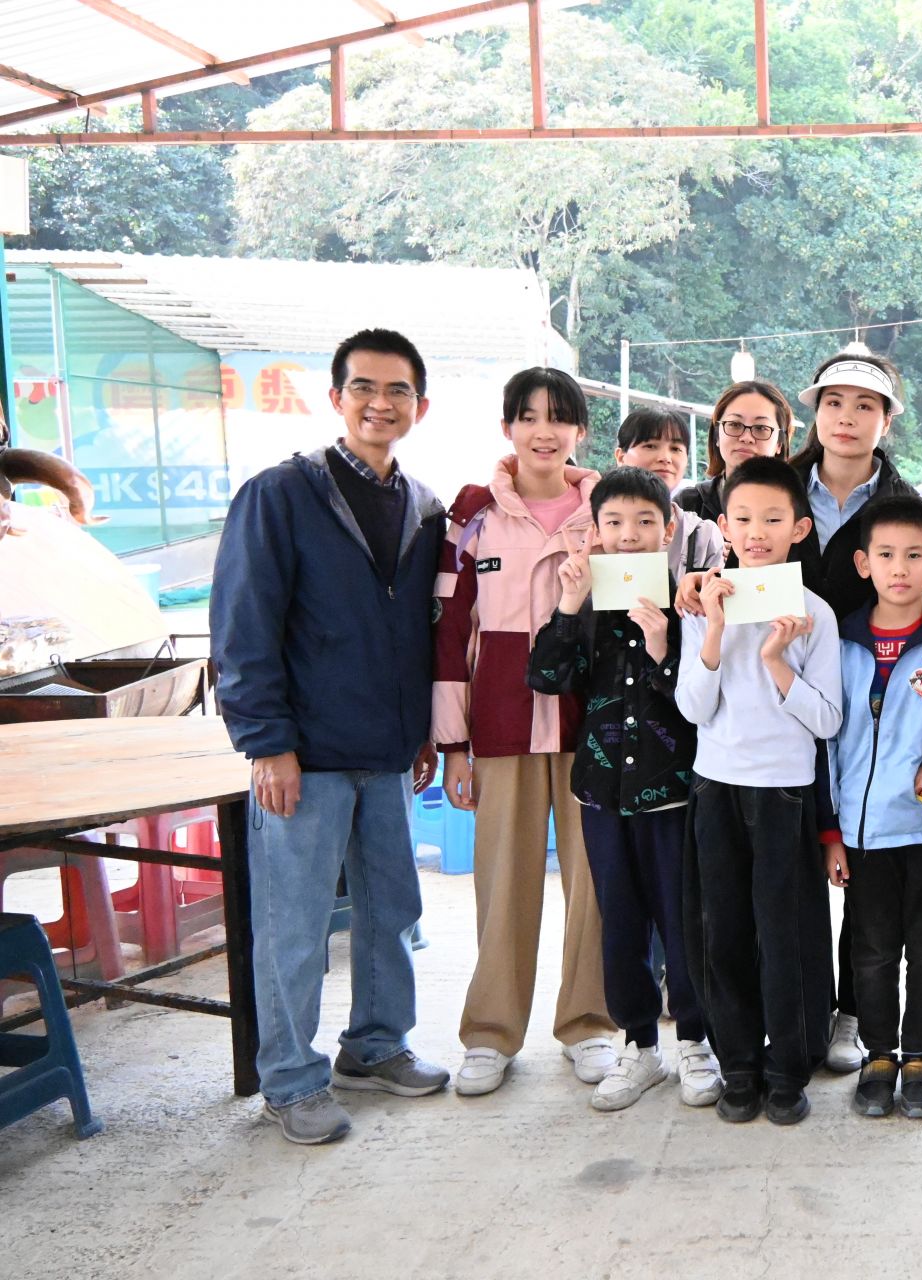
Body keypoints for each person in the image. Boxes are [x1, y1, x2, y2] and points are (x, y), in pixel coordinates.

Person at [676, 349, 922, 1073]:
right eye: (834, 402)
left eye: (866, 405)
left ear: (887, 420)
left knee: (862, 865)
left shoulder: (900, 499)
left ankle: (846, 1013)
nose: (847, 418)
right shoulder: (778, 488)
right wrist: (693, 578)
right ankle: (774, 1025)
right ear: (812, 412)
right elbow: (725, 537)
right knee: (791, 886)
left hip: (855, 705)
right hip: (770, 715)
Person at [210, 327, 449, 1144]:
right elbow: (243, 626)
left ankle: (376, 1045)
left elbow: (417, 631)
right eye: (364, 388)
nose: (381, 404)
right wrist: (265, 741)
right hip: (304, 755)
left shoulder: (423, 507)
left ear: (420, 406)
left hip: (387, 750)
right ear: (336, 397)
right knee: (295, 923)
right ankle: (289, 1078)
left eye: (398, 391)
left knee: (392, 909)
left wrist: (420, 730)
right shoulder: (281, 495)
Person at [433, 367, 619, 1099]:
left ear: (580, 430)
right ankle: (490, 1033)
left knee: (594, 882)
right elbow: (452, 633)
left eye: (559, 417)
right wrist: (453, 745)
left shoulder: (610, 511)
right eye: (529, 416)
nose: (545, 431)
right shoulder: (473, 517)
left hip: (590, 726)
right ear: (507, 427)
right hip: (502, 725)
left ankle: (590, 1022)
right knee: (502, 884)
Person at [524, 466, 723, 1112]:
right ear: (596, 530)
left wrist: (663, 645)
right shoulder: (585, 601)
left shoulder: (689, 598)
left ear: (668, 529)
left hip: (672, 794)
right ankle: (639, 1045)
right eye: (614, 522)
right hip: (603, 795)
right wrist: (569, 603)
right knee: (620, 922)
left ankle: (694, 1040)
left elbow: (698, 701)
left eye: (644, 521)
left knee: (683, 920)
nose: (629, 533)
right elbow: (547, 678)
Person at [675, 455, 844, 1125]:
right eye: (743, 518)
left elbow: (827, 720)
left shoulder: (814, 613)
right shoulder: (703, 604)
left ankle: (788, 1068)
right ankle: (739, 1064)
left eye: (773, 519)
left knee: (787, 934)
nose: (756, 531)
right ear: (723, 526)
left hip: (784, 793)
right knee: (722, 931)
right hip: (716, 786)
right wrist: (716, 630)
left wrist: (776, 659)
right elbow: (694, 708)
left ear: (799, 528)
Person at [819, 494, 922, 1120]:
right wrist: (831, 832)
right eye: (885, 555)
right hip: (862, 831)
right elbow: (825, 742)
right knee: (873, 950)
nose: (900, 568)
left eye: (914, 555)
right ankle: (878, 1055)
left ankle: (920, 1058)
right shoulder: (840, 641)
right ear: (864, 564)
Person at [614, 405, 726, 576]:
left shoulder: (704, 535)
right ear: (621, 457)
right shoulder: (593, 527)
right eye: (650, 446)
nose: (665, 458)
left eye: (675, 449)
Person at [676, 380, 793, 525]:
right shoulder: (688, 505)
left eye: (761, 428)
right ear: (717, 436)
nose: (746, 438)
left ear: (779, 444)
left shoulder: (797, 505)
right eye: (735, 425)